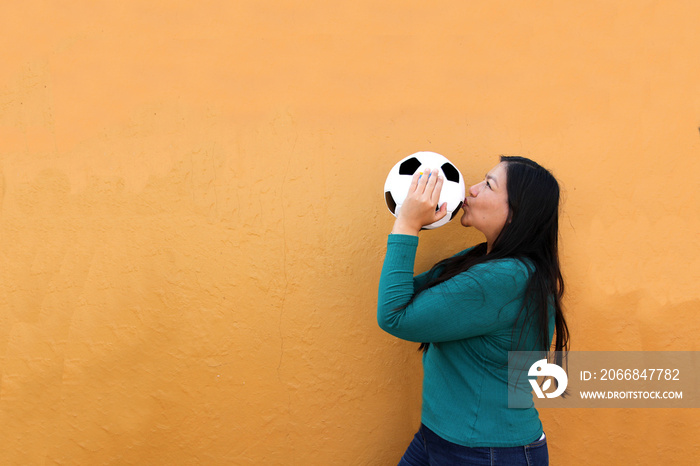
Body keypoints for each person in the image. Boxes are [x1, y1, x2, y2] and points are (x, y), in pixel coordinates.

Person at [377, 156, 569, 465]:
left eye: (489, 185)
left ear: (515, 214)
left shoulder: (504, 278)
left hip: (485, 452)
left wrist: (407, 224)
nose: (473, 189)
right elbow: (405, 296)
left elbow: (394, 315)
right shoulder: (485, 261)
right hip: (440, 438)